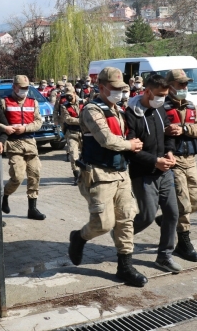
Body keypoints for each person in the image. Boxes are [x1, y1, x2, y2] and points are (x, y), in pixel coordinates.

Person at [67, 67, 148, 287]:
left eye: (122, 88)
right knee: (104, 223)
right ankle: (79, 237)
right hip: (99, 174)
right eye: (115, 88)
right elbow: (106, 139)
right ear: (102, 87)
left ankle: (125, 266)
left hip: (121, 173)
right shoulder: (91, 110)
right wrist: (130, 145)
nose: (120, 92)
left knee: (126, 219)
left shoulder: (118, 110)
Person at [124, 74, 182, 274]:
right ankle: (122, 236)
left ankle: (164, 256)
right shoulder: (130, 114)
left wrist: (170, 152)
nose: (162, 99)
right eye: (159, 95)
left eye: (165, 95)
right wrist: (154, 161)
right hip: (143, 174)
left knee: (172, 213)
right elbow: (130, 149)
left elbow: (168, 134)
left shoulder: (160, 109)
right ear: (147, 91)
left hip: (164, 172)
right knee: (147, 216)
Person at [161, 69, 197, 262]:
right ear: (170, 86)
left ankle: (168, 219)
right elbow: (152, 131)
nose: (184, 87)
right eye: (181, 84)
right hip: (174, 160)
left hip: (191, 160)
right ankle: (184, 243)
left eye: (186, 84)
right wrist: (167, 130)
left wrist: (185, 128)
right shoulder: (161, 107)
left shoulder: (191, 106)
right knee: (183, 204)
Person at [1, 75, 46, 220]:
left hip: (30, 142)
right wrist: (6, 128)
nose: (25, 90)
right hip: (13, 144)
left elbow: (38, 122)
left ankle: (32, 209)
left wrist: (25, 128)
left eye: (27, 88)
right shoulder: (5, 102)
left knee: (35, 174)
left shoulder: (33, 102)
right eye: (22, 88)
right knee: (17, 176)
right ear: (14, 87)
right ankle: (5, 195)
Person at [59, 86, 83, 185]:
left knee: (87, 155)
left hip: (84, 133)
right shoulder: (64, 106)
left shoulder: (83, 103)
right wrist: (82, 120)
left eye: (70, 95)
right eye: (66, 95)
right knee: (73, 155)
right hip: (72, 133)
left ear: (74, 93)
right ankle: (76, 175)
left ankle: (86, 174)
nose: (68, 97)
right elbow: (68, 119)